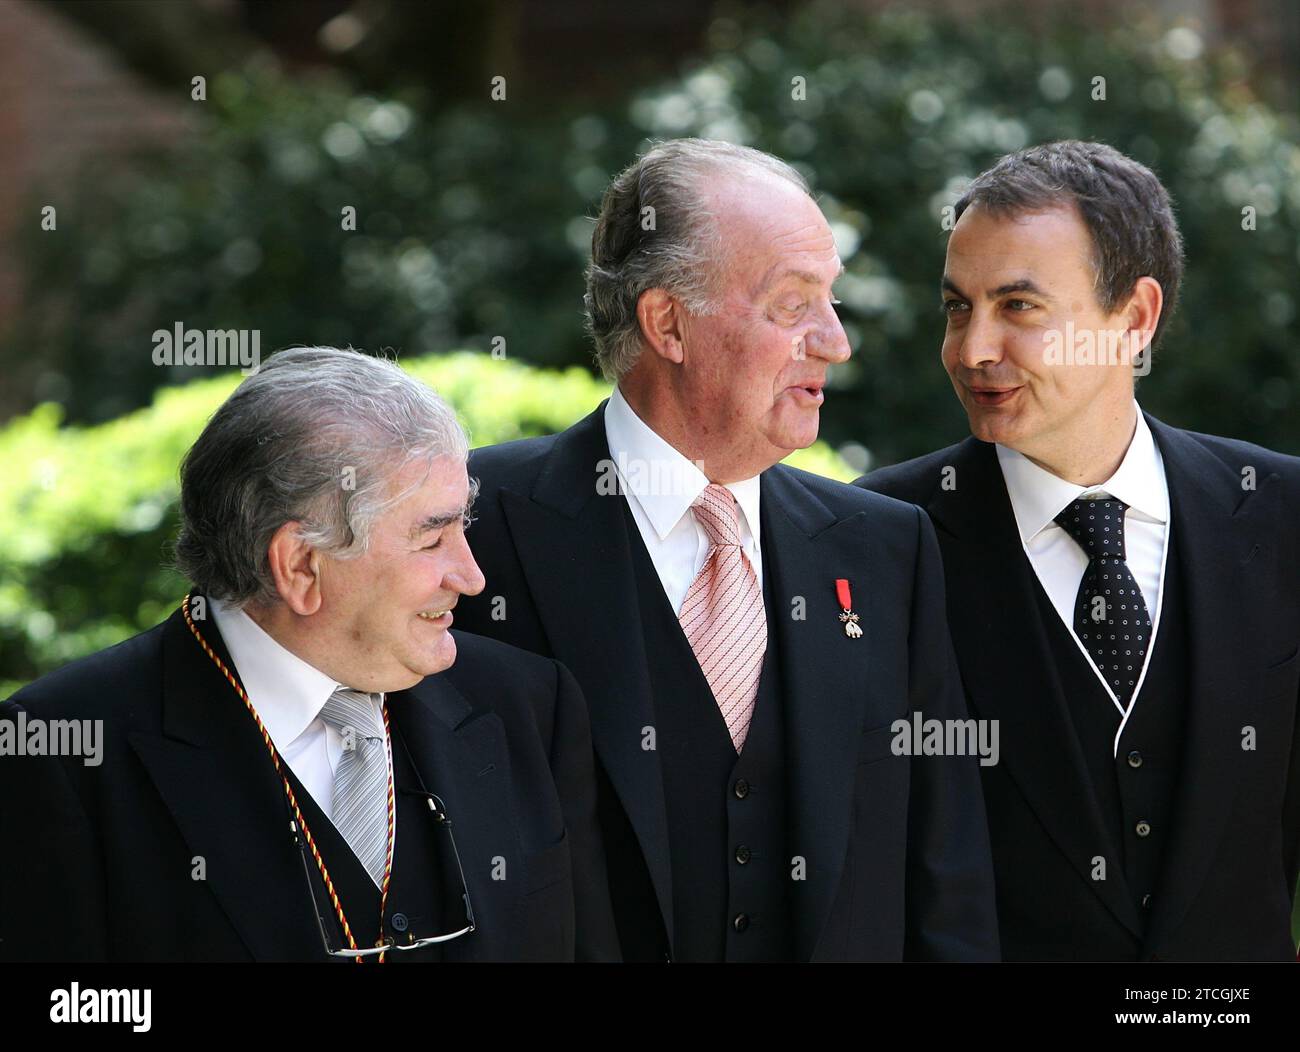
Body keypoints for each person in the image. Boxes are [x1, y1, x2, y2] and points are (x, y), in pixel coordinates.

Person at [455, 138, 999, 962]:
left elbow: (945, 882)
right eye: (792, 304)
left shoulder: (886, 549)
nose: (834, 341)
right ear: (668, 323)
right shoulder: (472, 527)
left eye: (832, 301)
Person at [0, 346, 619, 963]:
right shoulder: (61, 752)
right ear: (300, 565)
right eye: (432, 537)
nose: (472, 575)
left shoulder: (527, 703)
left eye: (465, 528)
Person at [859, 140, 1300, 961]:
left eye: (1018, 307)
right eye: (957, 307)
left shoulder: (1282, 514)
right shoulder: (872, 541)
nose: (971, 348)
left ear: (1134, 319)